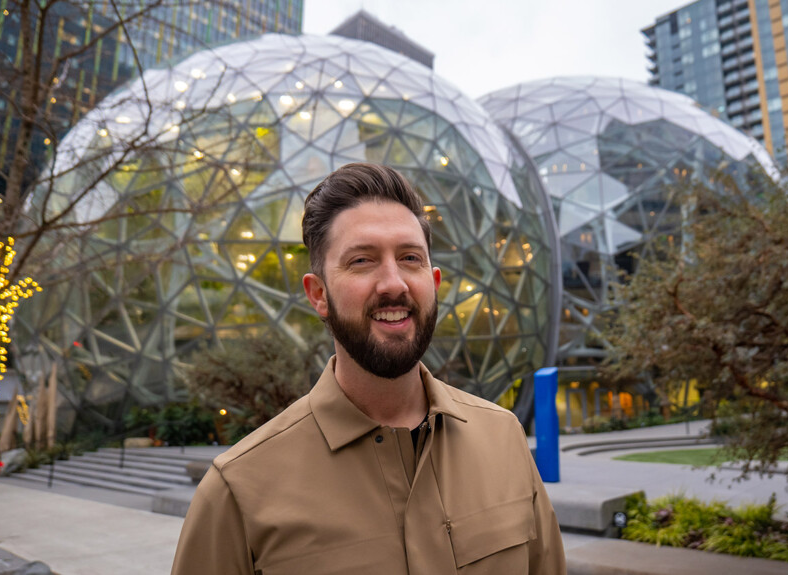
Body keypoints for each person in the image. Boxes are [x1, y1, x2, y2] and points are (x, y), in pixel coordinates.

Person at [171, 163, 565, 574]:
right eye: (362, 260)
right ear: (319, 295)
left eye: (409, 258)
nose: (393, 283)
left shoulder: (504, 438)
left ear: (433, 281)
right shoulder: (239, 490)